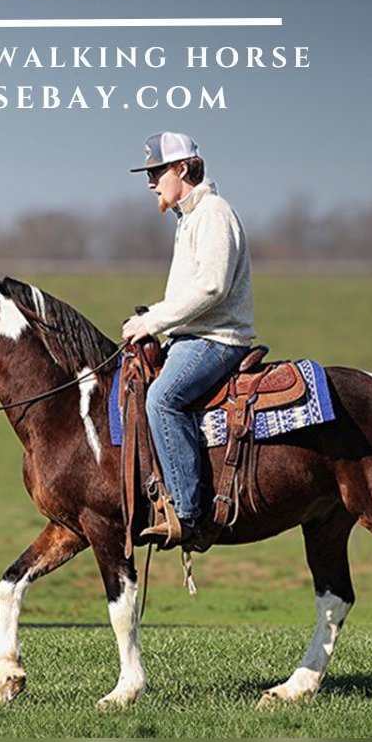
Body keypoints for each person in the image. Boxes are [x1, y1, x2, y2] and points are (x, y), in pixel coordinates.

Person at [120, 132, 256, 548]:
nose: (150, 182)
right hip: (192, 337)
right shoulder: (190, 218)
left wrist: (154, 321)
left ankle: (189, 513)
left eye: (156, 172)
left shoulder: (213, 212)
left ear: (182, 169)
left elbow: (212, 287)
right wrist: (154, 317)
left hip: (216, 339)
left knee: (161, 398)